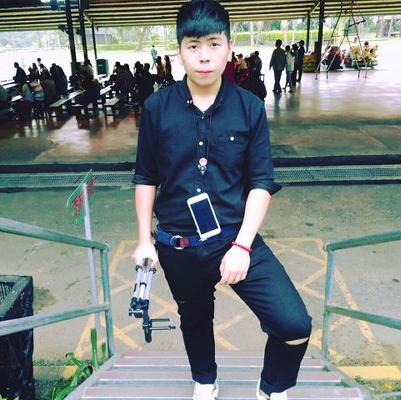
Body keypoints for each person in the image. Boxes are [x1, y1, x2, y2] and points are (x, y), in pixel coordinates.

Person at [132, 1, 312, 400]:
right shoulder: (157, 108)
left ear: (229, 48)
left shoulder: (249, 108)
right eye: (193, 45)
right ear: (179, 51)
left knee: (294, 323)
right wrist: (144, 240)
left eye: (214, 44)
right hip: (179, 242)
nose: (204, 56)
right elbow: (145, 177)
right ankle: (205, 381)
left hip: (234, 237)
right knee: (195, 319)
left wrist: (243, 246)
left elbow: (261, 183)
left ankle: (272, 387)